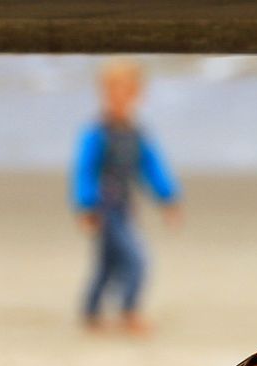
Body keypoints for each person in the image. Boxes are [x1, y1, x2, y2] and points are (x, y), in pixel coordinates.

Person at [71, 58, 181, 335]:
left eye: (126, 90)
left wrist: (168, 198)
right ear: (103, 91)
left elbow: (151, 167)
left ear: (137, 93)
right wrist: (85, 206)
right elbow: (84, 170)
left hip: (124, 208)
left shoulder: (136, 133)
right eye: (113, 89)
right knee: (135, 260)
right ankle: (128, 311)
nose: (119, 96)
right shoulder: (96, 133)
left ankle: (91, 312)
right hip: (103, 210)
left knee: (107, 264)